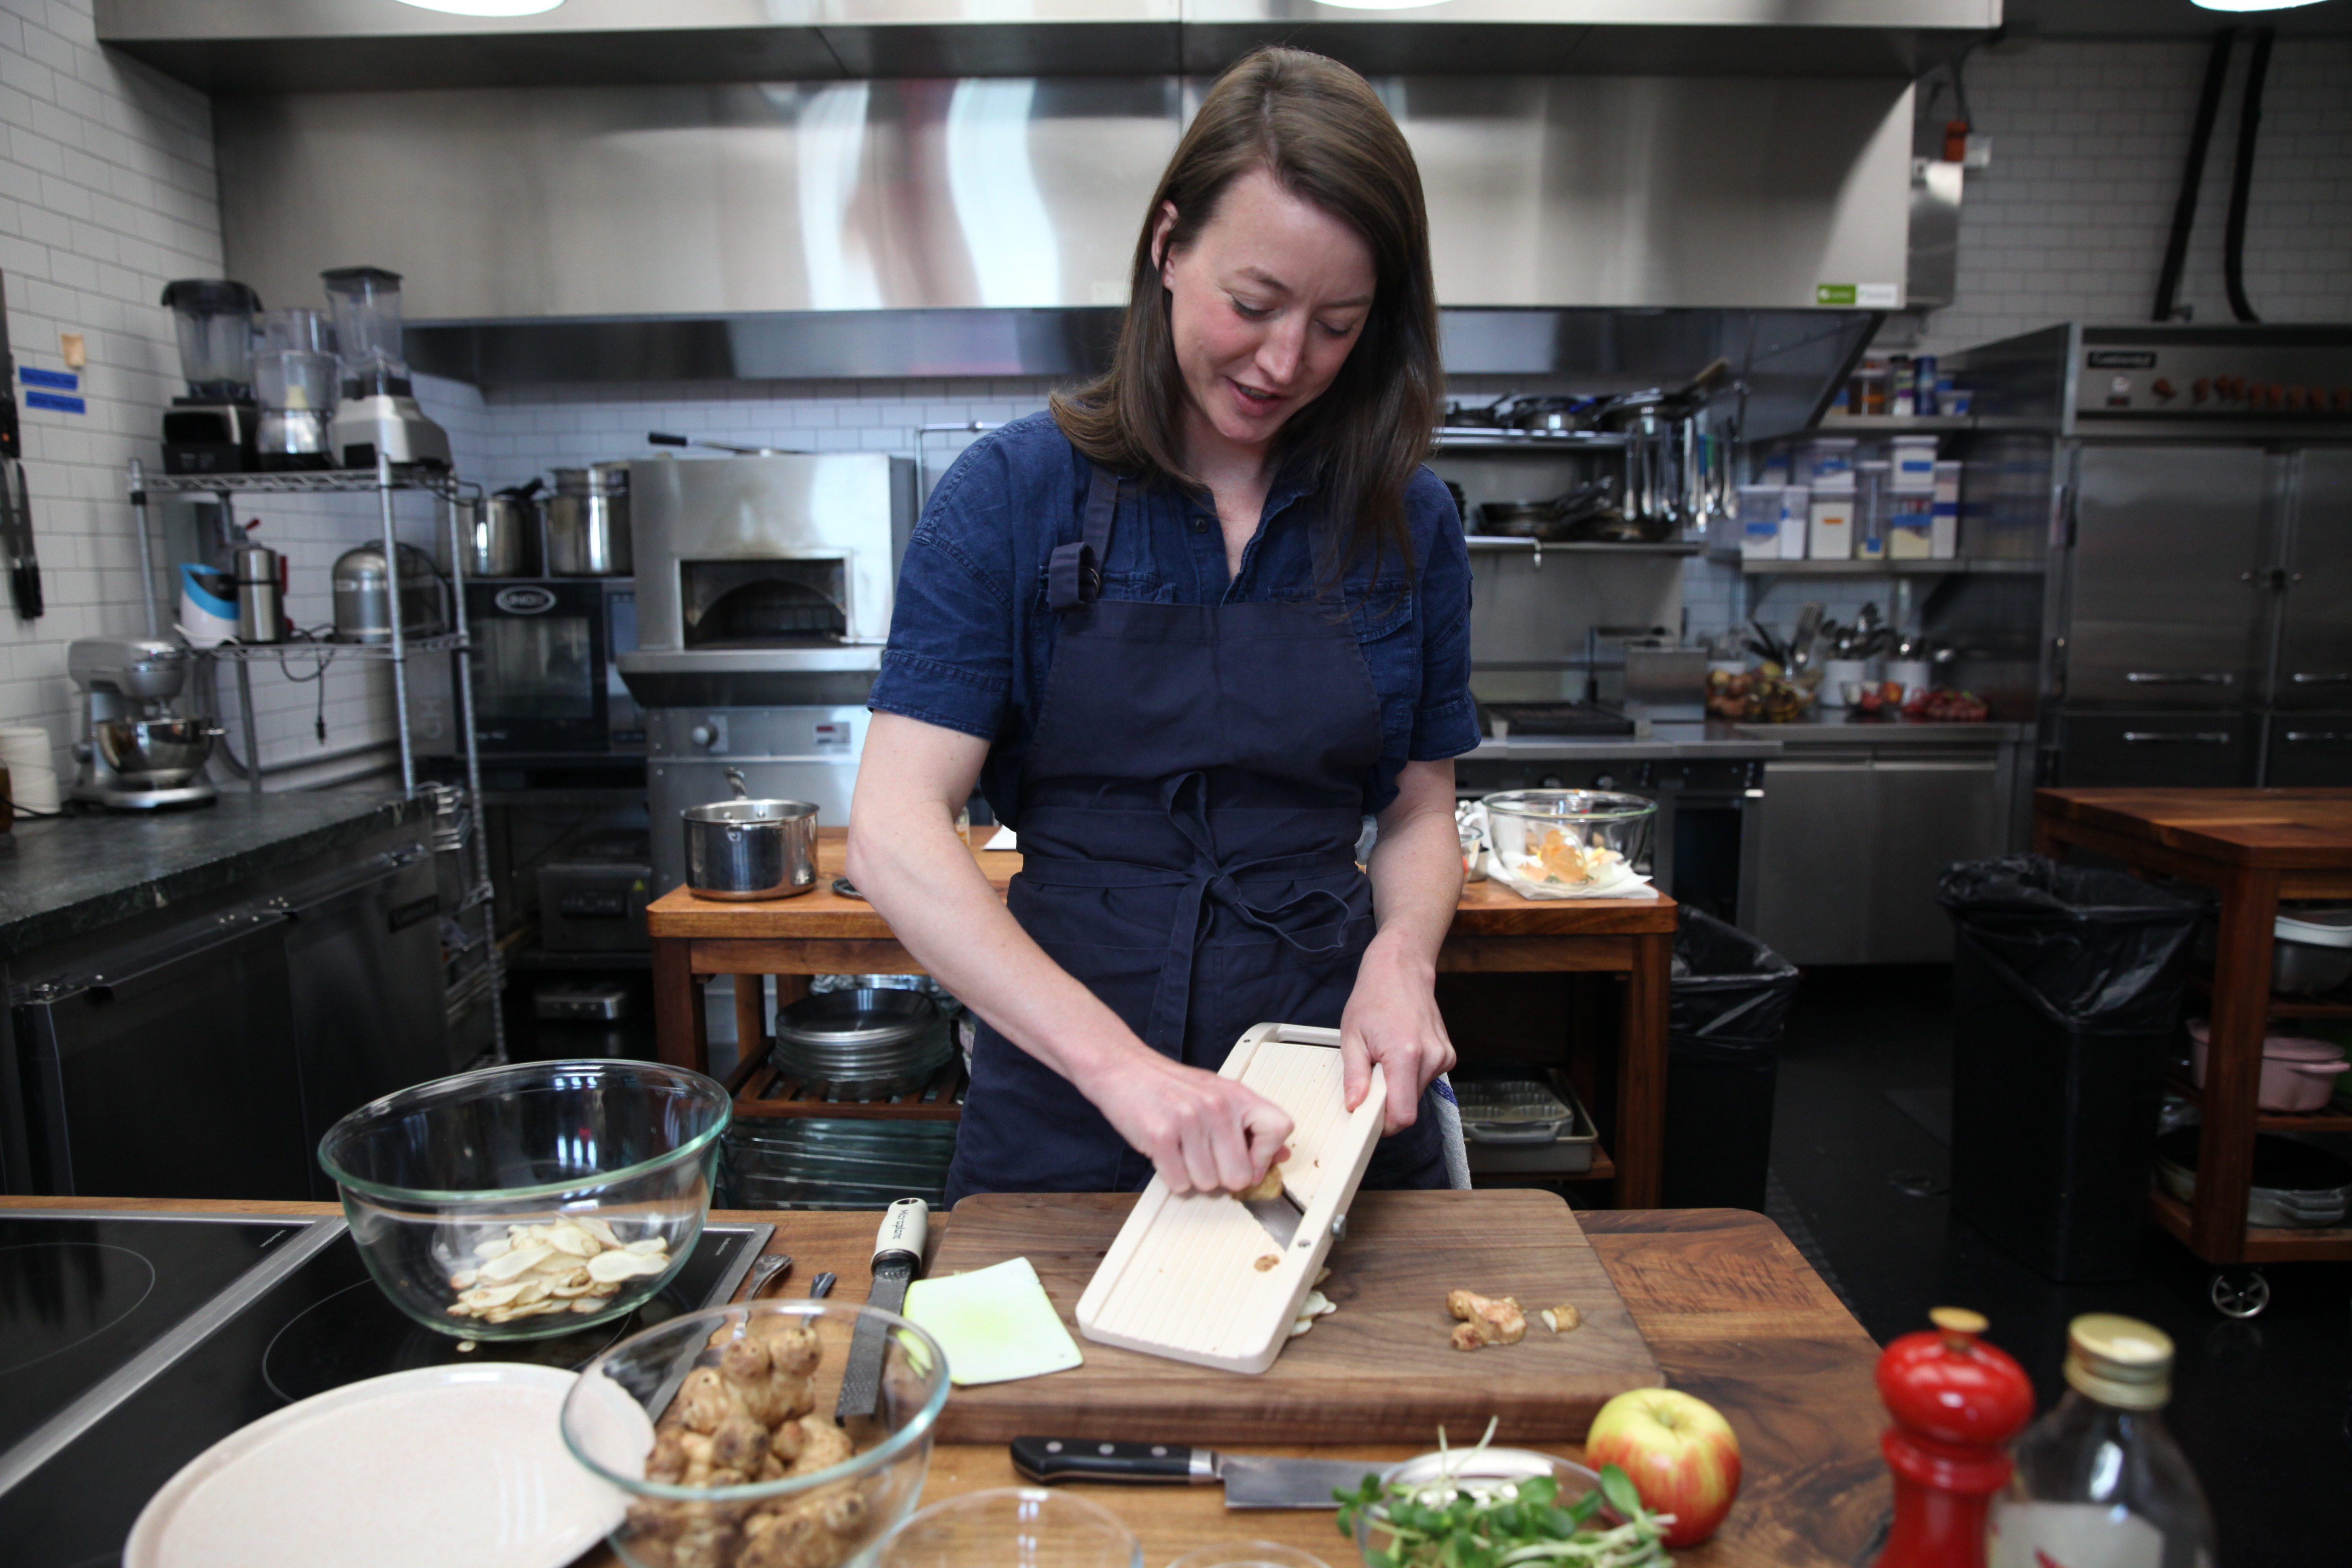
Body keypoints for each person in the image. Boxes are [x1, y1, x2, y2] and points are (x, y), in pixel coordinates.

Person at [848, 46, 1478, 1204]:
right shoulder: (1008, 495)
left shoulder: (1410, 519)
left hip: (1324, 1098)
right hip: (1066, 1095)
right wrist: (1127, 1073)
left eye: (1338, 324)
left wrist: (1401, 959)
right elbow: (893, 828)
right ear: (1168, 243)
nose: (1286, 362)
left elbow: (1419, 808)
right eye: (1254, 304)